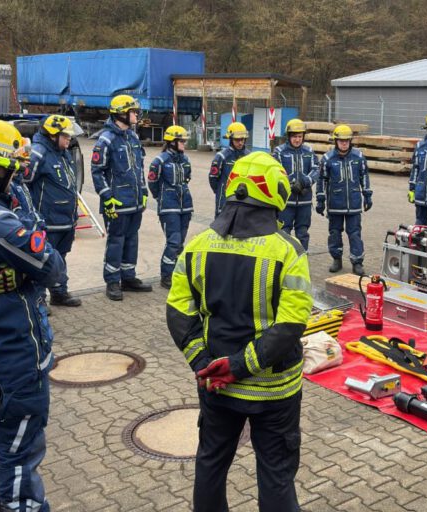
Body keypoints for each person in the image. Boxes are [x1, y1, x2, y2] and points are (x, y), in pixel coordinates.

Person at [167, 151, 313, 512]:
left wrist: (205, 364)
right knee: (276, 476)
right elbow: (290, 326)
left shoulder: (196, 245)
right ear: (276, 193)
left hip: (216, 385)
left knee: (210, 465)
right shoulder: (289, 251)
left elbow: (178, 311)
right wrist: (239, 366)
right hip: (274, 389)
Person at [0, 118, 65, 512]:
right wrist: (26, 272)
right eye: (14, 166)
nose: (18, 172)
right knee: (20, 451)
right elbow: (53, 268)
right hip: (15, 354)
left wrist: (19, 272)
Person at [91, 94, 153, 300]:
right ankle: (112, 281)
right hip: (116, 203)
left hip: (134, 202)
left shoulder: (133, 137)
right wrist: (106, 196)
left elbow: (139, 169)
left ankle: (128, 278)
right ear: (121, 114)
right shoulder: (106, 139)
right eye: (133, 111)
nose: (136, 115)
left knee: (132, 240)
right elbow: (97, 171)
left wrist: (144, 192)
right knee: (116, 241)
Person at [26, 115, 82, 306]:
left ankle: (59, 292)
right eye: (65, 136)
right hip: (48, 220)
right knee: (42, 259)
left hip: (66, 220)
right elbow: (24, 182)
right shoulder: (38, 153)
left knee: (60, 258)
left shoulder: (63, 152)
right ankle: (39, 298)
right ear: (52, 135)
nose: (69, 139)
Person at [316, 124, 373, 275]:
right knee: (334, 232)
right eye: (341, 141)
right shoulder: (327, 159)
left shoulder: (358, 157)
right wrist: (320, 200)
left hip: (354, 204)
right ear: (336, 141)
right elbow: (321, 180)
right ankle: (337, 259)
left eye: (347, 140)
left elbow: (364, 177)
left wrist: (367, 196)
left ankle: (357, 262)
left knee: (355, 233)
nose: (344, 143)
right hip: (335, 204)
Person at [148, 125, 194, 290]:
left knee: (180, 244)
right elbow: (152, 183)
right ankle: (166, 276)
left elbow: (187, 178)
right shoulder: (159, 161)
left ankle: (177, 274)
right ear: (172, 142)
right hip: (169, 208)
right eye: (181, 141)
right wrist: (162, 198)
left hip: (185, 207)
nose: (184, 144)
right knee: (173, 242)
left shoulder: (185, 160)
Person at [272, 118, 319, 251]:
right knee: (284, 233)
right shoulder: (279, 151)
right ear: (288, 136)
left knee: (302, 233)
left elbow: (316, 169)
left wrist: (304, 182)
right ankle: (283, 259)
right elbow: (276, 172)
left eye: (300, 136)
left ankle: (302, 258)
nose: (297, 140)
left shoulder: (309, 151)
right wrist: (291, 184)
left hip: (304, 202)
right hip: (285, 203)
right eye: (294, 136)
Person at [210, 121, 250, 216]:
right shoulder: (221, 156)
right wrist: (221, 191)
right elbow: (213, 179)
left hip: (243, 200)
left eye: (242, 139)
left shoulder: (249, 156)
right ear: (231, 139)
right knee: (222, 224)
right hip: (225, 200)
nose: (240, 142)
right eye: (237, 140)